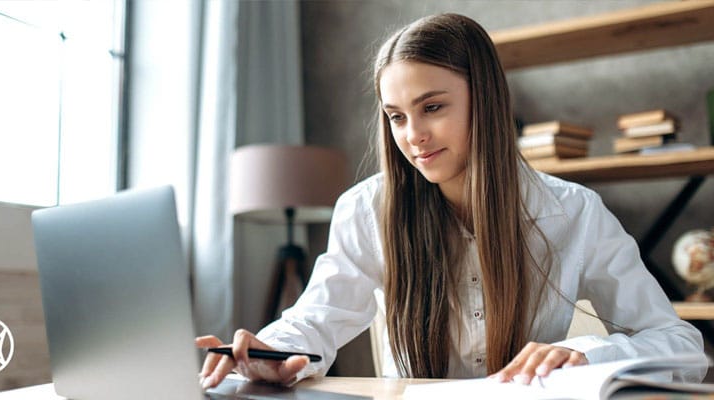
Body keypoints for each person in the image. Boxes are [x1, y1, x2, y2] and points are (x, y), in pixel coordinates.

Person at [196, 13, 705, 388]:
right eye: (396, 116)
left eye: (432, 107)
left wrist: (585, 353)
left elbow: (680, 344)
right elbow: (317, 320)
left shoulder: (574, 211)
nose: (413, 135)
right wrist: (272, 350)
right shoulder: (367, 209)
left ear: (483, 99)